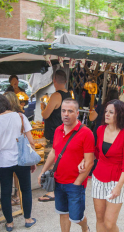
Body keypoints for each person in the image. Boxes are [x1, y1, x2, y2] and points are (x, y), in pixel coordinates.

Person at [38, 98, 94, 232]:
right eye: (63, 111)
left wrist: (77, 182)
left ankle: (85, 228)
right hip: (59, 180)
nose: (66, 114)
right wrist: (43, 170)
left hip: (75, 182)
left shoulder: (86, 133)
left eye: (70, 111)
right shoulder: (57, 130)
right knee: (63, 212)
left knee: (76, 216)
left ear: (77, 113)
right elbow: (55, 152)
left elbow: (89, 162)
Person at [84, 100, 124, 232]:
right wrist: (84, 162)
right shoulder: (100, 130)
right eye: (106, 111)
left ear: (119, 114)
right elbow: (96, 153)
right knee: (99, 218)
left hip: (116, 181)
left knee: (109, 222)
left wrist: (119, 186)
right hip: (98, 177)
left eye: (111, 112)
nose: (106, 114)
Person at [0, 94, 37, 232]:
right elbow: (31, 141)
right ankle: (28, 219)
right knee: (25, 189)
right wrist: (32, 159)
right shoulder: (20, 116)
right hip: (21, 159)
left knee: (5, 192)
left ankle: (9, 223)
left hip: (3, 161)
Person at [38, 70, 72, 203]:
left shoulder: (56, 95)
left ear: (54, 81)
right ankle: (59, 188)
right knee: (60, 162)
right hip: (64, 133)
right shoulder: (69, 95)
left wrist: (43, 107)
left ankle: (51, 191)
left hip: (54, 134)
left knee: (51, 161)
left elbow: (45, 115)